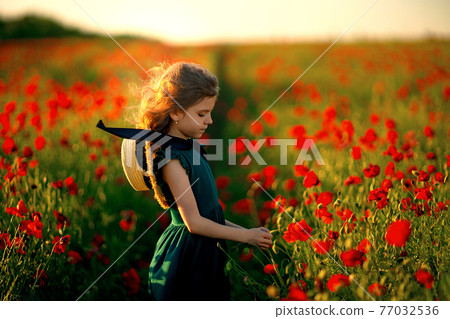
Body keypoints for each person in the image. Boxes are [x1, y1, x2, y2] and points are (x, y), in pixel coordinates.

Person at [130, 61, 273, 301]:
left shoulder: (190, 148)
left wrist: (249, 232)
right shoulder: (172, 159)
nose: (210, 121)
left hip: (205, 250)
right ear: (175, 111)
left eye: (210, 113)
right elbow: (194, 223)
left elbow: (210, 215)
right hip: (188, 255)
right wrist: (246, 236)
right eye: (201, 114)